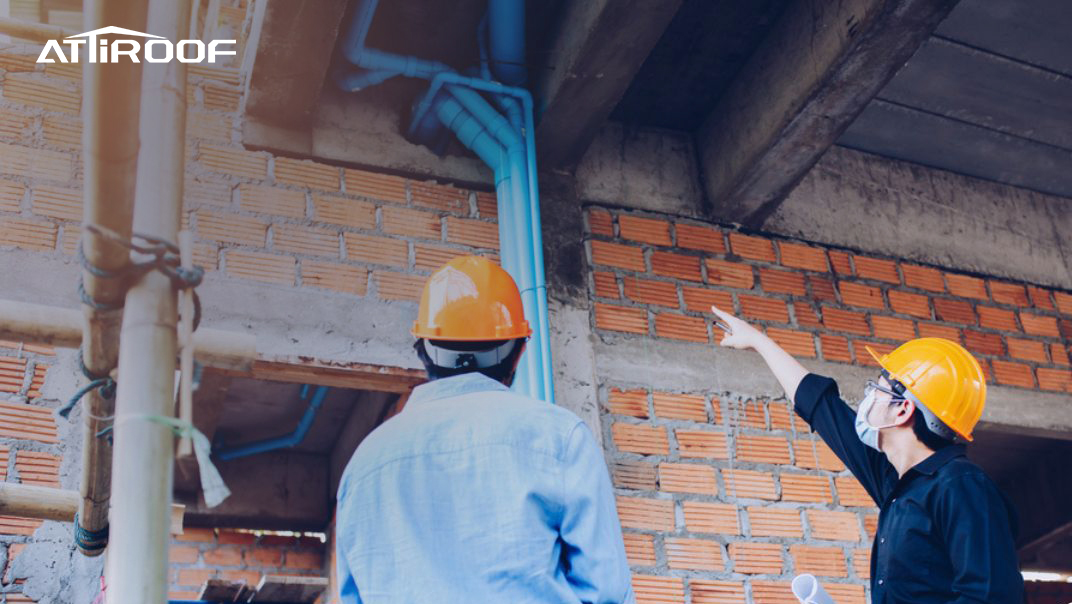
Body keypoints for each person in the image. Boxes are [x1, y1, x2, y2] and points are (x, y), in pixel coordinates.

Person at [335, 256, 634, 603]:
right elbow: (608, 592)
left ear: (423, 351)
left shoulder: (364, 466)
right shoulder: (559, 438)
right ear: (519, 351)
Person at [711, 305, 1024, 604]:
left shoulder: (961, 486)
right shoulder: (900, 485)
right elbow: (824, 409)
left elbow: (990, 597)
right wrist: (759, 342)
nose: (869, 395)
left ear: (903, 409)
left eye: (879, 387)